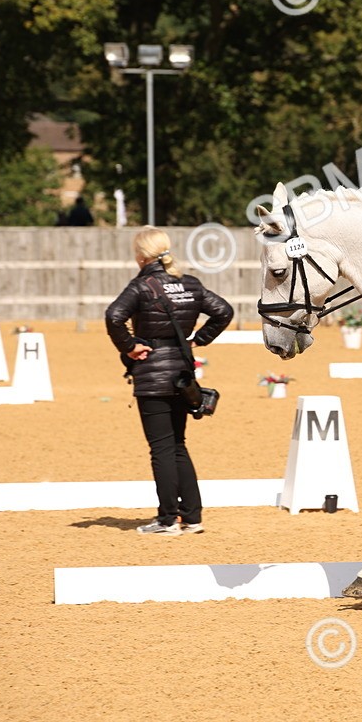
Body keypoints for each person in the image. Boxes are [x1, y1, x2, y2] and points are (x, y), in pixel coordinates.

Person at [105, 228, 232, 535]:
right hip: (182, 375)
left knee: (161, 448)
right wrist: (199, 339)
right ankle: (192, 517)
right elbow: (224, 311)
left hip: (152, 375)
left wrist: (130, 346)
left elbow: (113, 316)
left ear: (141, 256)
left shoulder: (141, 286)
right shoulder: (190, 283)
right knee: (177, 445)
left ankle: (167, 519)